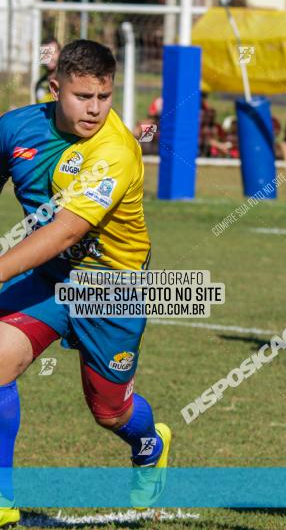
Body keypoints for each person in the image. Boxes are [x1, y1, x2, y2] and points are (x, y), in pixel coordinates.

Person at [0, 40, 171, 526]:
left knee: (109, 413)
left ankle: (149, 444)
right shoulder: (16, 128)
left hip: (111, 289)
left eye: (105, 97)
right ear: (55, 88)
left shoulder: (116, 149)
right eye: (82, 97)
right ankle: (2, 501)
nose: (95, 109)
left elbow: (68, 228)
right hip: (50, 279)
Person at [34, 38, 61, 103]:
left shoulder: (66, 82)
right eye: (45, 53)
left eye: (52, 52)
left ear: (60, 53)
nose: (49, 57)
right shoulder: (39, 84)